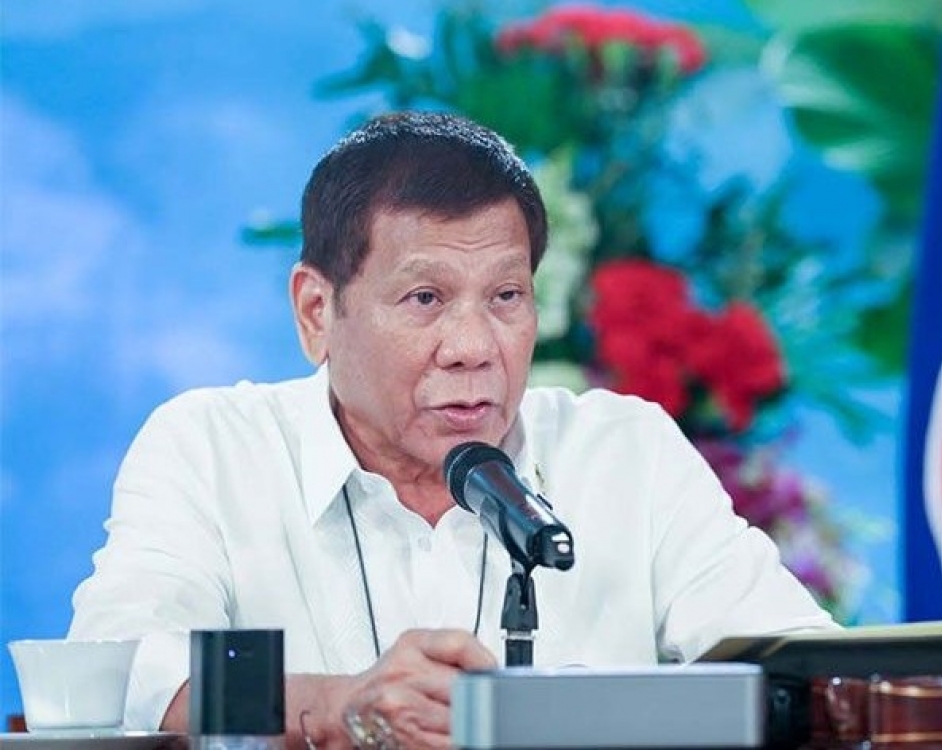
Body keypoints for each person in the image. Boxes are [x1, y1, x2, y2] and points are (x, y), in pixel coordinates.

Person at [69, 111, 837, 749]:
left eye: (506, 296)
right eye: (426, 299)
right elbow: (128, 669)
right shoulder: (215, 448)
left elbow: (806, 670)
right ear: (316, 313)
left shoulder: (624, 452)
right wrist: (335, 706)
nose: (473, 347)